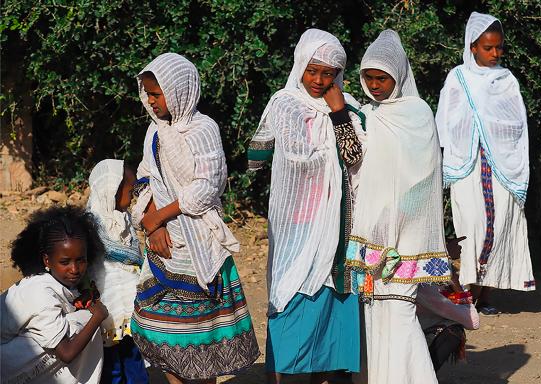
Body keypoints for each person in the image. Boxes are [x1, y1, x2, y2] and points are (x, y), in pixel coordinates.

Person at [129, 53, 259, 384]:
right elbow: (147, 176)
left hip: (197, 245)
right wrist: (151, 221)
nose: (152, 101)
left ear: (178, 90)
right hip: (164, 243)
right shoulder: (154, 132)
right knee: (159, 330)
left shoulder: (203, 130)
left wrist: (158, 217)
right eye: (148, 94)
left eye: (157, 94)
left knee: (199, 340)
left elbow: (205, 189)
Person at [248, 28, 365, 384]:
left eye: (327, 73)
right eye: (312, 70)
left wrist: (338, 112)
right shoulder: (285, 103)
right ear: (300, 63)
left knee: (333, 297)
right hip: (297, 221)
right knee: (289, 290)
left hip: (340, 222)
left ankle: (326, 375)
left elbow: (355, 156)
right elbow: (284, 156)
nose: (318, 79)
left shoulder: (348, 107)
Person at [345, 30, 451, 384]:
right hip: (371, 234)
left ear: (399, 77)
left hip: (407, 237)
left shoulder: (418, 114)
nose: (375, 85)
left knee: (401, 314)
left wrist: (399, 222)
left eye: (382, 78)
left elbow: (424, 178)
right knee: (375, 315)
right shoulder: (367, 115)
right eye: (369, 78)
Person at [435, 12, 534, 315]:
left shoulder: (507, 81)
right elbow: (446, 121)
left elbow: (516, 125)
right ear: (472, 46)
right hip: (466, 164)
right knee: (471, 224)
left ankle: (486, 294)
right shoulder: (457, 78)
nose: (495, 54)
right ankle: (465, 290)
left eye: (499, 48)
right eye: (488, 48)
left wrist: (492, 130)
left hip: (501, 166)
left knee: (499, 224)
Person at [1, 206, 108, 384]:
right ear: (46, 260)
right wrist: (98, 317)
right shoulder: (41, 295)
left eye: (81, 260)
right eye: (65, 262)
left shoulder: (56, 280)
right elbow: (66, 353)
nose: (74, 270)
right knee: (81, 323)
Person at [86, 159, 149, 383]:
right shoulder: (92, 222)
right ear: (112, 188)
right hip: (108, 303)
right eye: (130, 191)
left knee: (133, 356)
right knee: (110, 362)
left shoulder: (124, 218)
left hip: (129, 303)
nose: (132, 197)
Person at [416, 236, 480, 372]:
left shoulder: (434, 276)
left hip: (422, 331)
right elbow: (472, 321)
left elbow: (462, 303)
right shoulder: (427, 285)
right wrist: (452, 276)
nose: (459, 247)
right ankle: (424, 375)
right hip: (417, 337)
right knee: (454, 332)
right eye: (453, 240)